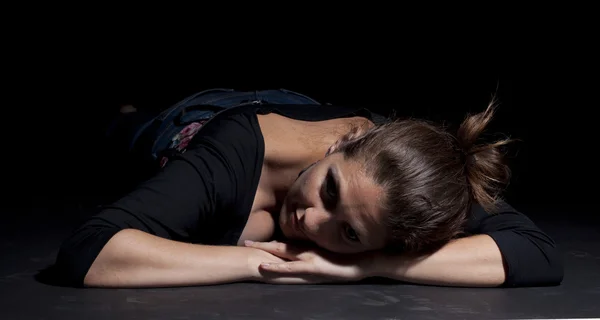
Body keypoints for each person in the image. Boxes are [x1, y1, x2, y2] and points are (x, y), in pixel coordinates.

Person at [54, 88, 563, 288]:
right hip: (199, 121)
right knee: (126, 132)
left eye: (348, 233)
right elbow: (89, 251)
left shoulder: (406, 178)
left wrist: (359, 266)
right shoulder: (231, 159)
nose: (310, 221)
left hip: (305, 118)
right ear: (345, 141)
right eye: (329, 190)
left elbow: (536, 253)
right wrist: (272, 265)